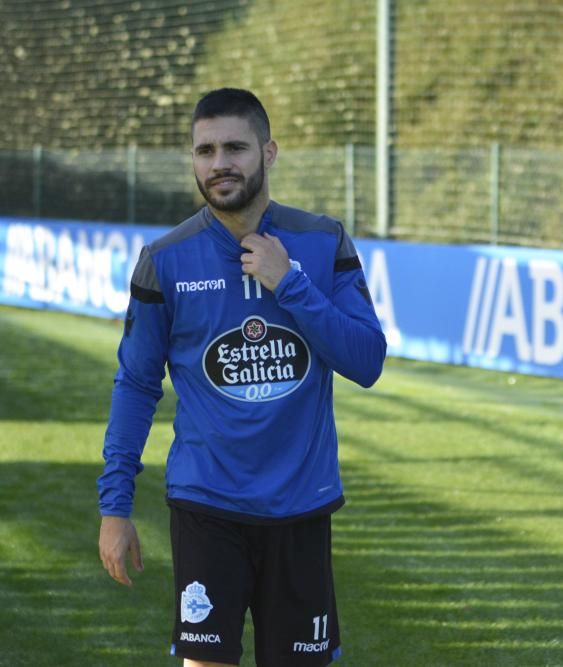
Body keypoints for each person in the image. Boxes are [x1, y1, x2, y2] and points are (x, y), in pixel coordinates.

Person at [97, 88, 386, 667]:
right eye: (205, 150)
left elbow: (366, 361)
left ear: (269, 152)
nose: (219, 163)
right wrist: (115, 506)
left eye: (235, 147)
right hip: (207, 505)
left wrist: (291, 283)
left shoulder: (321, 242)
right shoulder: (166, 259)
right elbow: (135, 386)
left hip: (302, 506)